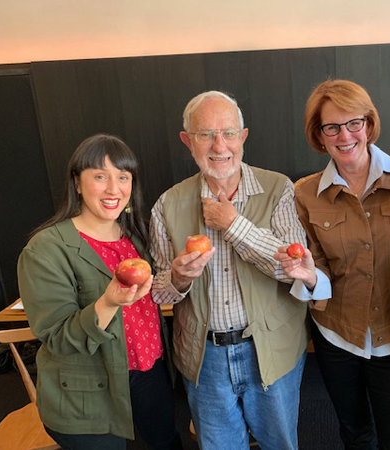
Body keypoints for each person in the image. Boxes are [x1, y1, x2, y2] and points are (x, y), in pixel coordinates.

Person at [149, 90, 309, 450]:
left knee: (280, 444)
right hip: (205, 359)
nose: (219, 145)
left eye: (229, 133)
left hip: (271, 350)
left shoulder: (278, 188)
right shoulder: (167, 205)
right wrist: (177, 278)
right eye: (205, 134)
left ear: (244, 136)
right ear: (188, 141)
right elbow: (158, 293)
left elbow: (293, 269)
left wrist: (234, 225)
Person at [275, 79, 390, 449]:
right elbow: (317, 268)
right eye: (332, 127)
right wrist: (308, 277)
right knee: (354, 432)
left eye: (354, 123)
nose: (345, 135)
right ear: (319, 136)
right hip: (337, 336)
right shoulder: (304, 193)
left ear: (369, 124)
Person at [17, 134, 181, 449]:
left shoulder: (137, 234)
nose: (113, 188)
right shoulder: (45, 249)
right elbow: (58, 337)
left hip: (150, 370)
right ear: (77, 183)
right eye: (99, 176)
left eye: (123, 177)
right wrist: (107, 302)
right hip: (88, 388)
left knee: (166, 442)